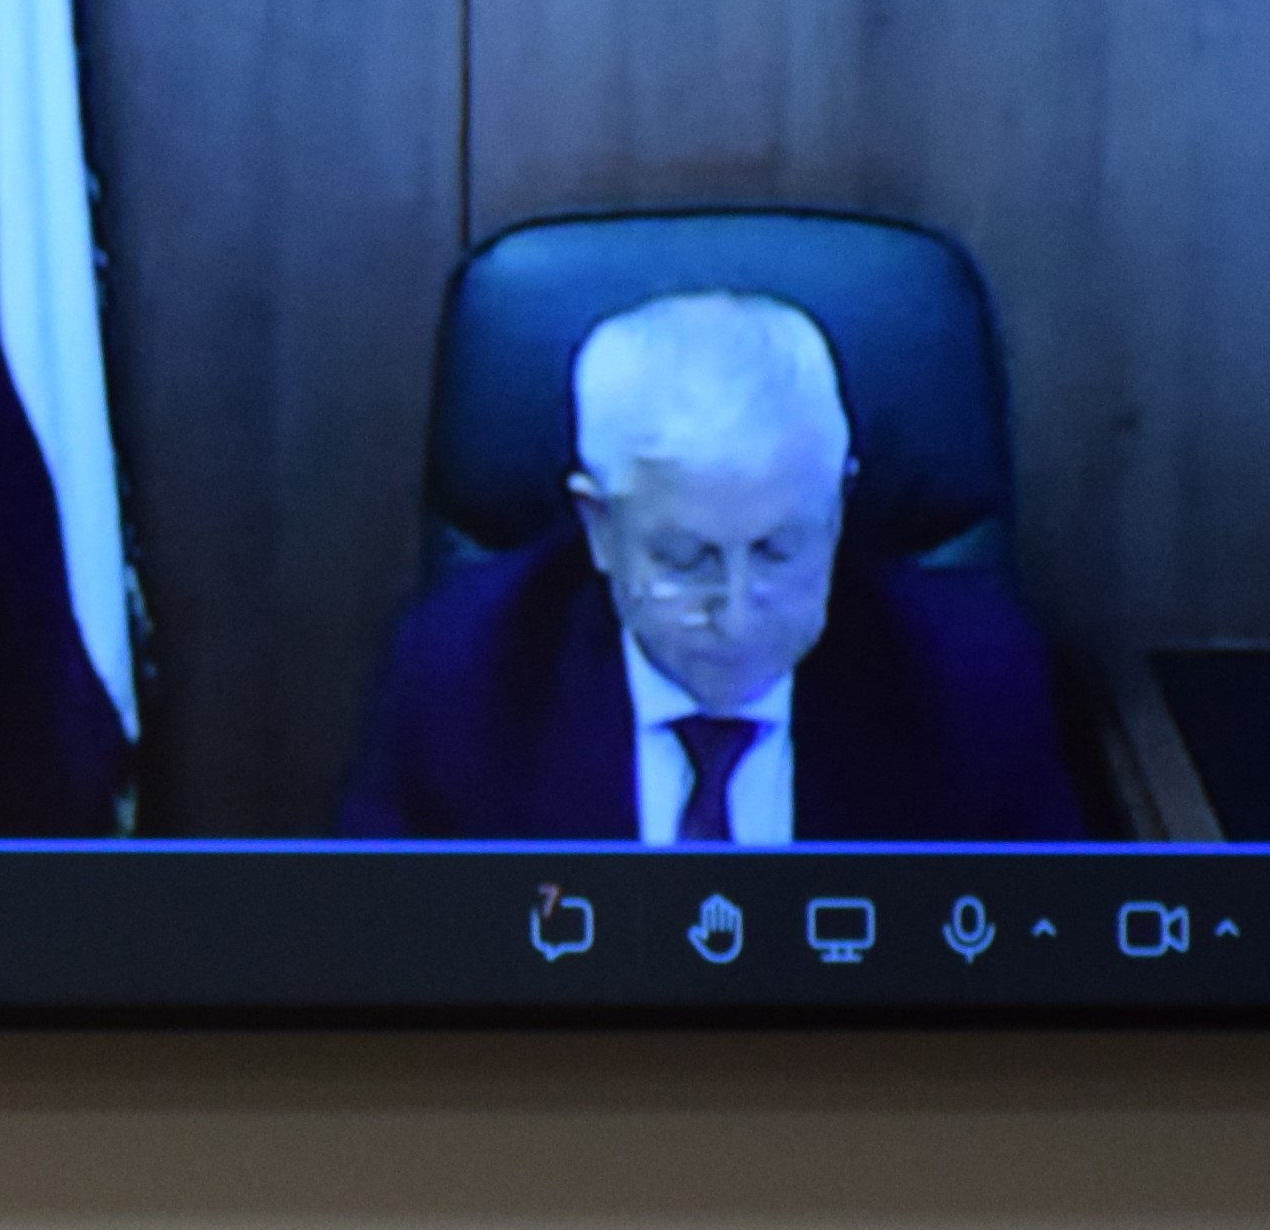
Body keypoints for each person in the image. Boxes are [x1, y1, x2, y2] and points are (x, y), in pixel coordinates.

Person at [338, 287, 1080, 842]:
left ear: (838, 503)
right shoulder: (461, 675)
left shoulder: (972, 686)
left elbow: (1045, 979)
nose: (736, 614)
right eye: (686, 560)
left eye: (778, 551)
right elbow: (380, 965)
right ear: (600, 526)